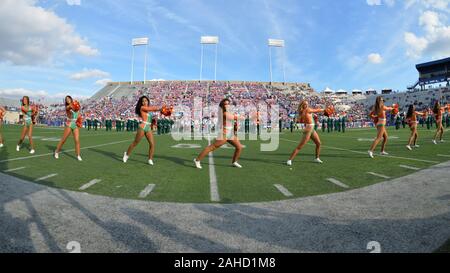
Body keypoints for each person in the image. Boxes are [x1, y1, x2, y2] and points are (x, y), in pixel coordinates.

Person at [194, 98, 244, 169]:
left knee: (239, 147)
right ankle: (197, 160)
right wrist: (241, 117)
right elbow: (237, 118)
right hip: (224, 134)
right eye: (225, 104)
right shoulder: (225, 113)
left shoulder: (228, 112)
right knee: (212, 147)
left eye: (228, 104)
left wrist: (236, 126)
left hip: (230, 133)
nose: (227, 105)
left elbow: (234, 121)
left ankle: (234, 162)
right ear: (223, 106)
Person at [123, 96, 169, 165]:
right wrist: (160, 108)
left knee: (152, 144)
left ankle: (150, 159)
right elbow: (151, 108)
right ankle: (126, 154)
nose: (144, 102)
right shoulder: (142, 108)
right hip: (142, 127)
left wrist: (154, 121)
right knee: (135, 143)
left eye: (146, 101)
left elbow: (151, 119)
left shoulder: (149, 111)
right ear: (141, 103)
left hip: (148, 128)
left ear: (148, 101)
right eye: (143, 101)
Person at [287, 100, 328, 166]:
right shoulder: (308, 109)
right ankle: (289, 160)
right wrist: (324, 109)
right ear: (303, 105)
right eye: (305, 104)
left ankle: (317, 158)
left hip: (311, 129)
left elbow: (301, 120)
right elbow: (317, 110)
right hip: (309, 129)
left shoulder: (302, 111)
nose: (307, 105)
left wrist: (311, 116)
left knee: (318, 143)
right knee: (300, 146)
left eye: (307, 104)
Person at [54, 96, 83, 161]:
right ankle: (56, 151)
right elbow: (71, 107)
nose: (67, 100)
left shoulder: (75, 104)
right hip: (69, 123)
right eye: (66, 99)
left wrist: (80, 121)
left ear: (71, 99)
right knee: (63, 140)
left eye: (68, 99)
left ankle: (78, 155)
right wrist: (75, 105)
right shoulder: (67, 107)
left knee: (77, 140)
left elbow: (78, 114)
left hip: (75, 124)